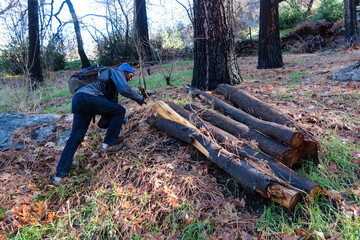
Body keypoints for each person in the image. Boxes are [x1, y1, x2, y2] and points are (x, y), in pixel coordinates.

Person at [52, 63, 145, 186]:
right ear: (126, 72)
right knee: (120, 110)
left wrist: (126, 120)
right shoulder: (117, 72)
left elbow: (111, 115)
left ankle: (59, 177)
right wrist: (139, 98)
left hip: (79, 100)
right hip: (89, 98)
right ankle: (107, 147)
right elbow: (125, 89)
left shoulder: (110, 88)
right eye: (130, 75)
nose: (130, 79)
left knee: (75, 137)